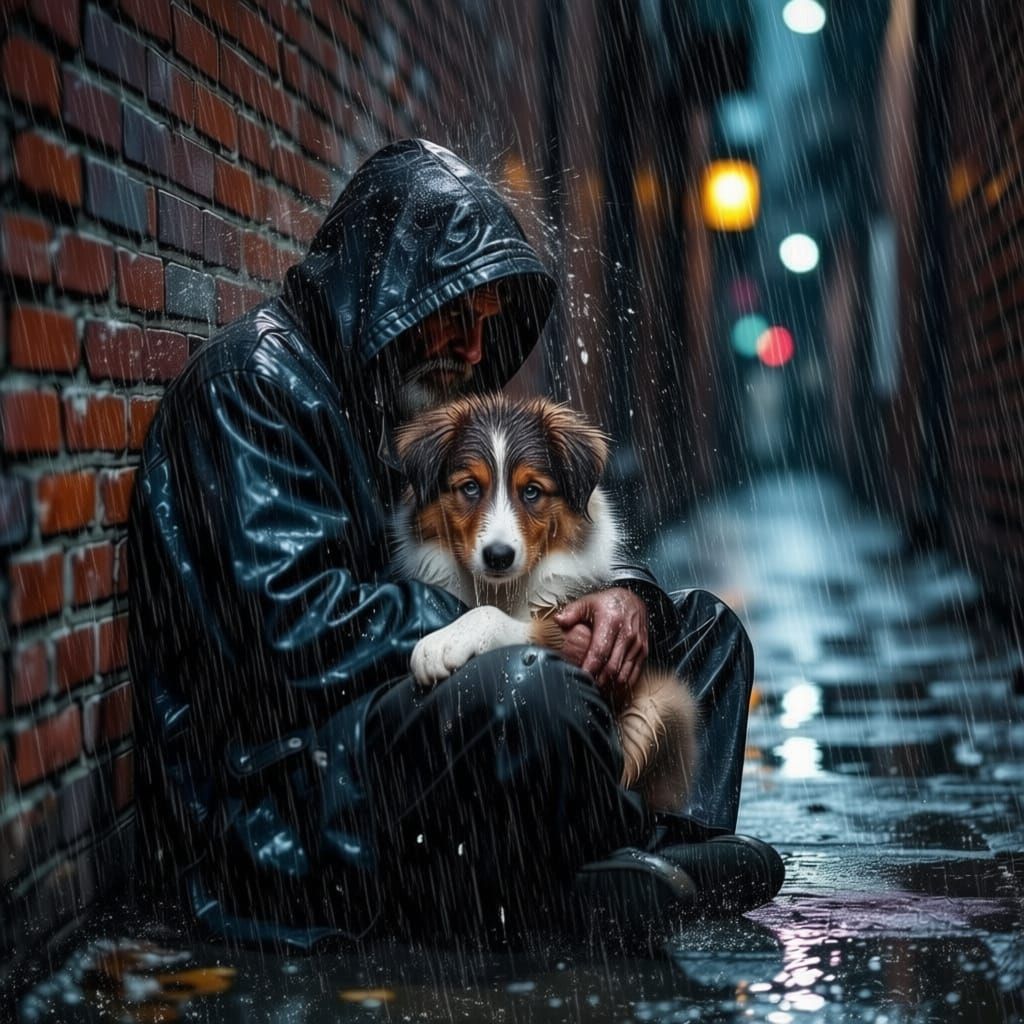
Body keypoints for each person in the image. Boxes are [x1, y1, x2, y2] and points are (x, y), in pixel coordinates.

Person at [128, 139, 783, 949]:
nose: (475, 352)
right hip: (297, 796)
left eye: (484, 328)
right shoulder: (253, 386)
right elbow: (294, 631)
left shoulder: (403, 400)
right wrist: (513, 630)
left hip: (404, 733)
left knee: (700, 632)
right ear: (386, 284)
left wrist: (623, 599)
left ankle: (626, 866)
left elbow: (543, 535)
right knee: (531, 693)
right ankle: (627, 866)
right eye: (453, 318)